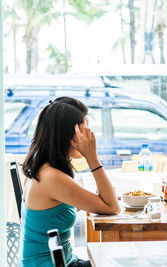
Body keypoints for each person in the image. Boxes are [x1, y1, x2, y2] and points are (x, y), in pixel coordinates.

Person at [21, 97, 120, 266]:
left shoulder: (44, 166)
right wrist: (92, 158)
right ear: (67, 135)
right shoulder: (52, 177)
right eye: (84, 131)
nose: (88, 136)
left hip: (63, 261)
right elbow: (112, 208)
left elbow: (101, 203)